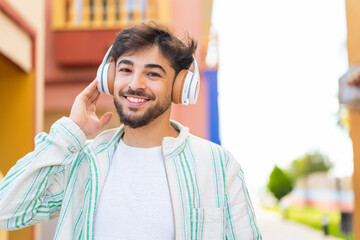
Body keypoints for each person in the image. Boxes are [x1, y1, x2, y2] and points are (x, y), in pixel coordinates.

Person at [0, 21, 262, 240]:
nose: (134, 84)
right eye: (125, 70)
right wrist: (71, 131)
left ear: (180, 87)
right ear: (109, 77)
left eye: (153, 74)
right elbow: (7, 211)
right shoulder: (84, 161)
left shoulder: (218, 165)